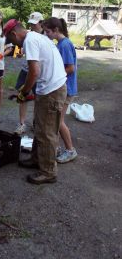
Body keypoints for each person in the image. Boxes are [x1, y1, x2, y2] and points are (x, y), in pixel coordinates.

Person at [3, 19, 67, 185]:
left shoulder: (30, 41)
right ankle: (37, 159)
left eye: (11, 40)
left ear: (14, 34)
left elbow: (34, 72)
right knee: (40, 126)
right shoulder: (36, 37)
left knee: (47, 132)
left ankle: (48, 172)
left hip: (52, 90)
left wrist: (24, 93)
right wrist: (25, 93)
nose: (13, 44)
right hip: (50, 88)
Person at [43, 17, 78, 163]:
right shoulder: (60, 44)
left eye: (47, 32)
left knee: (59, 121)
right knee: (56, 120)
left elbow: (70, 68)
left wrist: (54, 76)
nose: (46, 35)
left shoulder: (65, 45)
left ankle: (70, 150)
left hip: (67, 89)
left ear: (56, 30)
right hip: (63, 87)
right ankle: (56, 148)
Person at [14, 12, 44, 135]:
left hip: (38, 72)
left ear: (41, 23)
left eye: (35, 24)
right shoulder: (27, 35)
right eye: (31, 24)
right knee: (22, 96)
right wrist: (22, 53)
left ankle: (36, 123)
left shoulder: (46, 36)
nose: (32, 27)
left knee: (39, 98)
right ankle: (21, 124)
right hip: (25, 70)